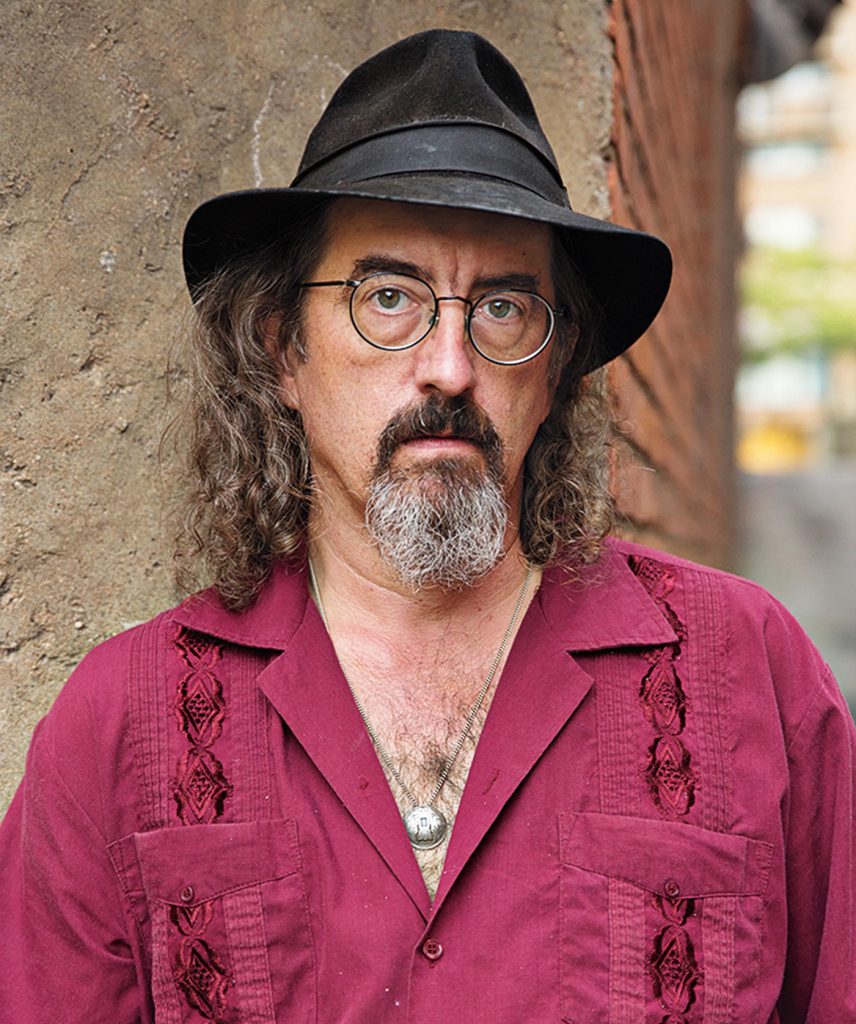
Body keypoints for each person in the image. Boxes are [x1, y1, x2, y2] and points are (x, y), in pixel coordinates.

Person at [0, 28, 853, 1024]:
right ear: (282, 350)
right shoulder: (121, 724)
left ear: (555, 365)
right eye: (388, 297)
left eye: (503, 307)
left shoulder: (748, 674)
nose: (450, 366)